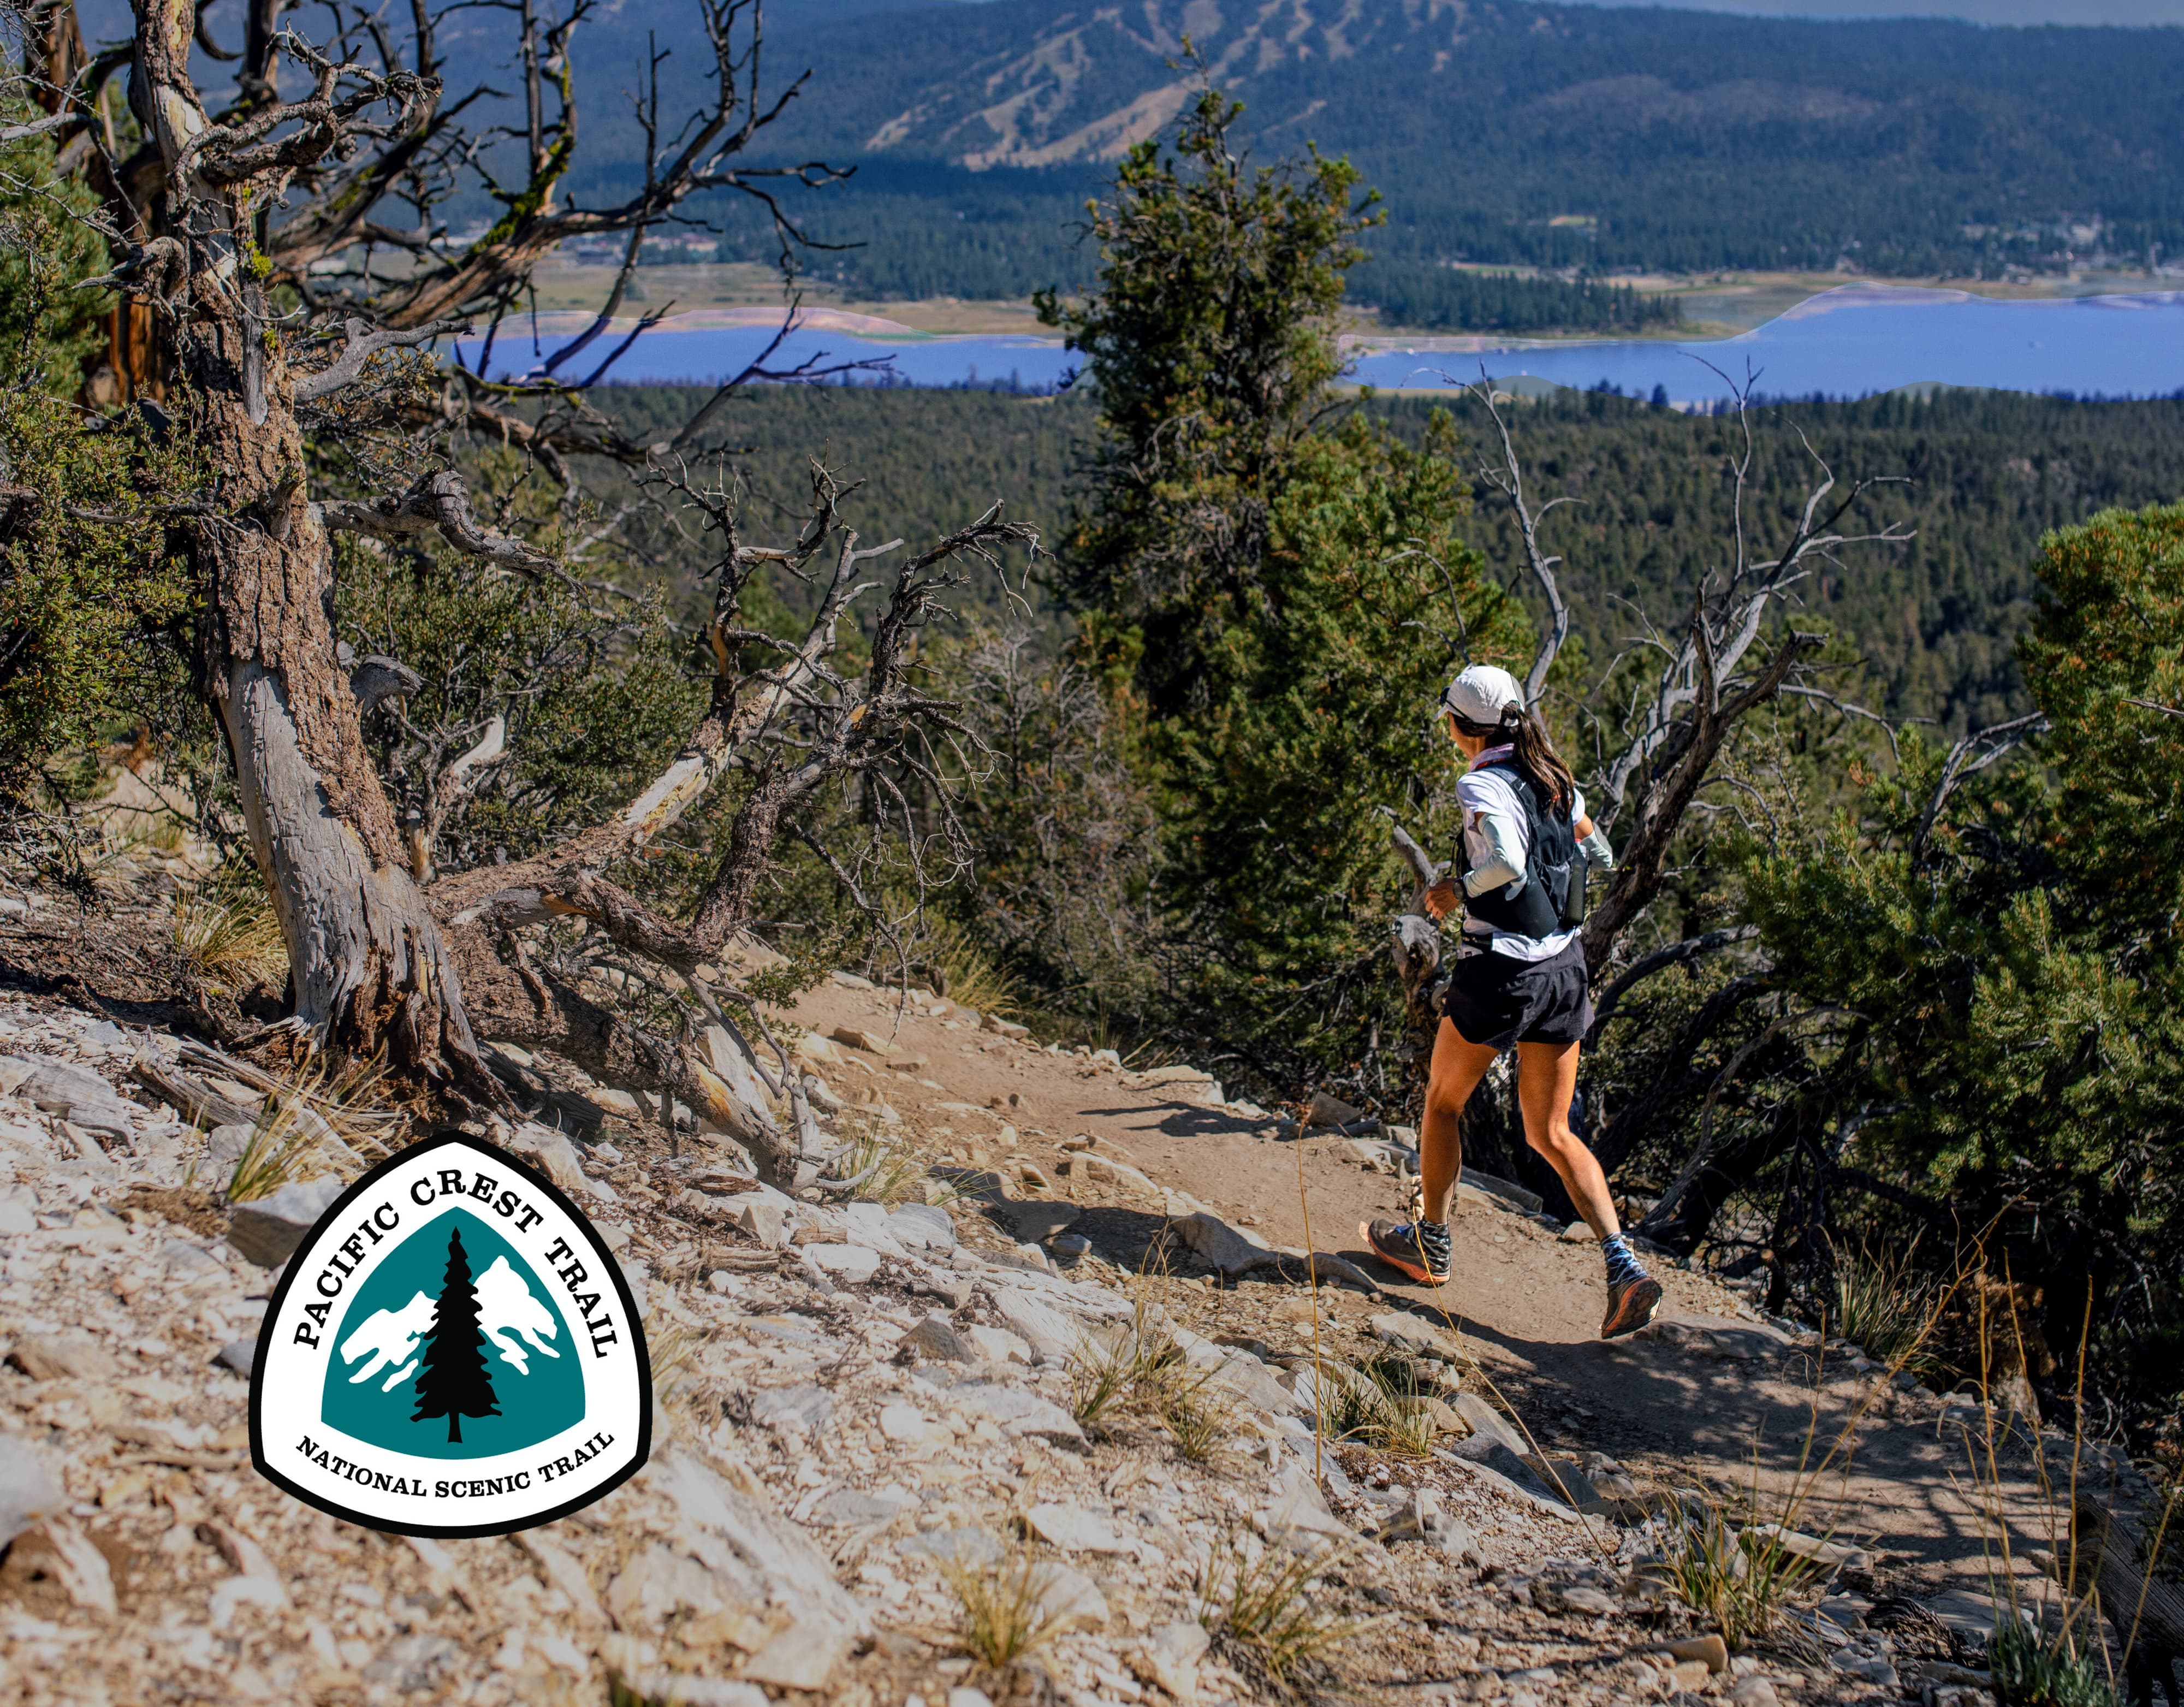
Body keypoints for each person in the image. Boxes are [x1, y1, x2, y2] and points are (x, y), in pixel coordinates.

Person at [1361, 663, 1664, 1339]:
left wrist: (1454, 891)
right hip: (1564, 969)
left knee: (1443, 1102)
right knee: (1552, 1132)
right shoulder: (1556, 776)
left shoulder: (1481, 781)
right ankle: (1623, 1267)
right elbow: (1602, 853)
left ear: (1459, 727)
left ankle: (1429, 1244)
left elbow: (1505, 865)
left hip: (1501, 970)